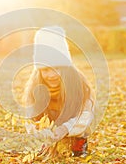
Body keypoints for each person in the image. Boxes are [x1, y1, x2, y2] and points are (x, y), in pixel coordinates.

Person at [23, 26, 95, 157]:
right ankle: (44, 145)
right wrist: (38, 131)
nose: (51, 75)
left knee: (83, 118)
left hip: (73, 117)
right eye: (45, 70)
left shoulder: (77, 83)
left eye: (56, 68)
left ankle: (79, 144)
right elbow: (30, 116)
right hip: (50, 119)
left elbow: (84, 114)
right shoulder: (35, 87)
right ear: (39, 71)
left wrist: (64, 129)